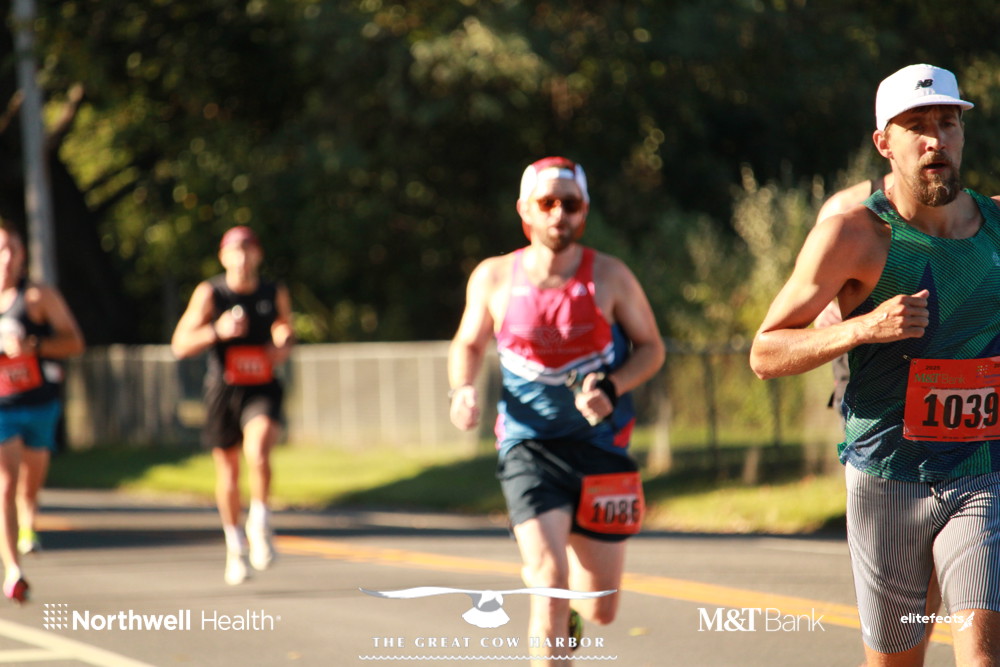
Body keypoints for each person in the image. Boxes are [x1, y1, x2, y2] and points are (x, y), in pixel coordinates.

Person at [751, 64, 1000, 666]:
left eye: (947, 123)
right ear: (884, 143)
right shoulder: (853, 236)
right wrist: (864, 327)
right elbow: (765, 351)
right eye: (916, 126)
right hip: (887, 476)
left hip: (983, 471)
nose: (935, 139)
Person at [448, 157, 665, 666]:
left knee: (602, 608)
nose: (558, 214)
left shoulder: (610, 277)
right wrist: (462, 388)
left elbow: (652, 348)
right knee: (549, 583)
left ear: (584, 211)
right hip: (528, 447)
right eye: (547, 203)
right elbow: (468, 343)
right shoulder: (494, 276)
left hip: (600, 447)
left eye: (570, 204)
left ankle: (569, 602)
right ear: (525, 210)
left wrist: (611, 386)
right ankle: (549, 581)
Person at [171, 226, 294, 586]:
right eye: (235, 251)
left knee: (259, 450)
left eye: (248, 250)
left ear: (258, 255)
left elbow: (284, 327)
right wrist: (218, 330)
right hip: (224, 390)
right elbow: (180, 343)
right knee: (228, 473)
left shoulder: (273, 291)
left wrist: (282, 342)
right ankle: (235, 546)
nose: (242, 258)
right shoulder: (211, 293)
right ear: (223, 257)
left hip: (262, 386)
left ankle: (260, 521)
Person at [0, 221, 85, 603]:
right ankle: (13, 570)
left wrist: (32, 346)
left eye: (12, 249)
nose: (6, 258)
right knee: (5, 480)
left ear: (22, 255)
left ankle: (28, 519)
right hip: (2, 406)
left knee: (30, 479)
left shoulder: (37, 297)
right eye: (0, 250)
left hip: (39, 404)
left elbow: (74, 342)